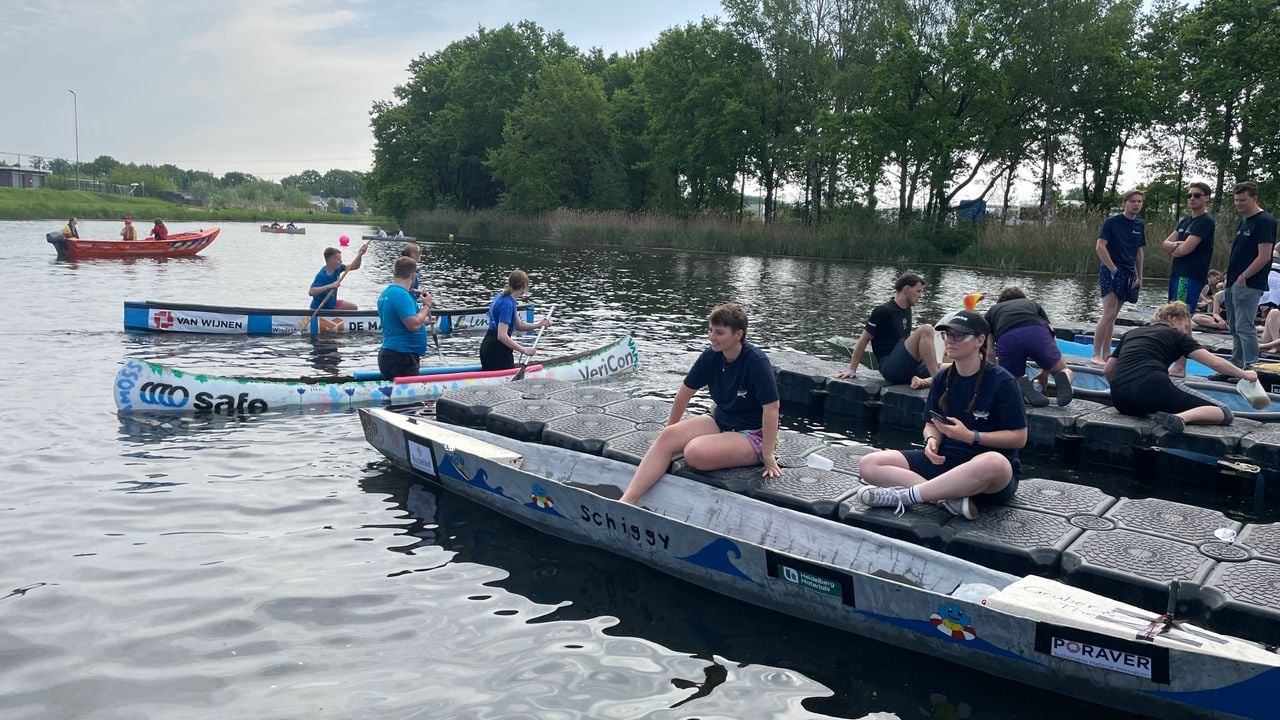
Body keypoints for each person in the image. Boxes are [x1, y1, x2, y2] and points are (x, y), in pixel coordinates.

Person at [857, 311, 1027, 521]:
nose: (949, 341)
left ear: (979, 341)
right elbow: (932, 423)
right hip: (945, 461)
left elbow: (1019, 437)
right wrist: (931, 441)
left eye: (959, 335)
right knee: (869, 463)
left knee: (994, 462)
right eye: (947, 335)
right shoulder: (942, 379)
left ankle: (905, 496)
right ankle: (944, 499)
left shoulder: (1003, 381)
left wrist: (972, 436)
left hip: (986, 477)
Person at [620, 303, 781, 504]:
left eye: (719, 333)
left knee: (694, 452)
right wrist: (672, 429)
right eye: (711, 331)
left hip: (753, 433)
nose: (712, 337)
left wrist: (767, 453)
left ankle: (752, 451)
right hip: (722, 420)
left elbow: (772, 409)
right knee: (668, 436)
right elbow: (685, 392)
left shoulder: (756, 362)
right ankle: (627, 500)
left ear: (738, 335)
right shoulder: (711, 356)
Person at [1105, 301, 1258, 433]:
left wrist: (1118, 388)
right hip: (1151, 384)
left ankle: (1165, 412)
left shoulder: (1133, 333)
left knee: (1152, 400)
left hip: (1120, 399)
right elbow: (1215, 363)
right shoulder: (1178, 336)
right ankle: (1179, 418)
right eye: (1186, 326)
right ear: (1174, 320)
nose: (1186, 331)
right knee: (1224, 412)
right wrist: (1244, 374)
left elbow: (1109, 370)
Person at [836, 272, 940, 388]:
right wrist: (852, 370)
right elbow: (863, 340)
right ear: (906, 289)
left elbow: (905, 342)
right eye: (918, 291)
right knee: (926, 329)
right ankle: (936, 380)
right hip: (890, 367)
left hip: (906, 365)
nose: (921, 295)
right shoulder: (882, 311)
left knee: (952, 368)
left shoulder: (907, 310)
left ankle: (924, 380)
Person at [983, 287, 1073, 407]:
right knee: (1063, 369)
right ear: (1023, 299)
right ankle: (1064, 376)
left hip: (1008, 337)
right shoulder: (1032, 305)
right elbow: (1052, 336)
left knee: (1011, 378)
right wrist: (1046, 372)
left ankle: (1020, 386)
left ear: (1000, 302)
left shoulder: (992, 311)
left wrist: (994, 375)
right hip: (1037, 332)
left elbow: (989, 352)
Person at [1223, 181, 1277, 368]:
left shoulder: (1264, 221)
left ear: (1254, 198)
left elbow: (1264, 256)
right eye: (1236, 200)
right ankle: (1236, 365)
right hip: (1233, 280)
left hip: (1249, 283)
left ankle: (1251, 367)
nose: (1239, 204)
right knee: (1234, 327)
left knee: (1245, 327)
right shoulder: (1244, 220)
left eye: (1243, 200)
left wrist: (1244, 276)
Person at [1092, 189, 1146, 365]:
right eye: (1133, 201)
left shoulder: (1139, 226)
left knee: (1113, 315)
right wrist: (1113, 268)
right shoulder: (1112, 222)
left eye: (1139, 201)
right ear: (1125, 203)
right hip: (1111, 270)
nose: (1136, 204)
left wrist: (1140, 275)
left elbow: (1139, 252)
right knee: (1107, 313)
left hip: (1128, 273)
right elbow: (1100, 247)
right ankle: (1096, 354)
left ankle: (1107, 353)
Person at [479, 269, 551, 370]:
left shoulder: (505, 296)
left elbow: (519, 325)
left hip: (490, 345)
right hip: (497, 349)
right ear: (525, 286)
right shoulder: (507, 304)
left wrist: (538, 324)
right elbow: (501, 335)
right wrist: (523, 350)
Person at [376, 257, 434, 380]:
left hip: (392, 354)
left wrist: (424, 321)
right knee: (412, 399)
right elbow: (413, 325)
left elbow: (399, 322)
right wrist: (427, 306)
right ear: (413, 276)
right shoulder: (401, 295)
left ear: (394, 273)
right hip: (401, 357)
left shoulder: (386, 293)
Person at [1161, 182, 1216, 308]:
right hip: (1177, 272)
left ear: (1206, 197)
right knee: (1172, 311)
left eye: (1197, 195)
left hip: (1190, 275)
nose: (1192, 198)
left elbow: (1184, 250)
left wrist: (1175, 248)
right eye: (1189, 195)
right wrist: (1177, 244)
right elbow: (1164, 244)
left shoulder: (1205, 221)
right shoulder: (1185, 221)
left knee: (1180, 312)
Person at [309, 241, 368, 311]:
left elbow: (355, 266)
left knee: (353, 308)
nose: (341, 262)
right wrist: (331, 286)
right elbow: (311, 292)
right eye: (338, 260)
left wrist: (359, 255)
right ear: (331, 260)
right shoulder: (322, 275)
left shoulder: (338, 268)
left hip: (332, 304)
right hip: (319, 308)